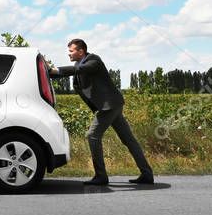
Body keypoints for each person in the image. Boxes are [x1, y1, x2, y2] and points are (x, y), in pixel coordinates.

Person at [50, 38, 153, 185]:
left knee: (92, 135)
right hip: (110, 106)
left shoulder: (93, 60)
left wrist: (57, 69)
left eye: (71, 51)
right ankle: (147, 174)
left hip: (109, 106)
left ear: (81, 51)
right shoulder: (78, 64)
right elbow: (68, 73)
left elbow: (79, 70)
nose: (69, 54)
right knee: (129, 140)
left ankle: (101, 176)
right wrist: (47, 71)